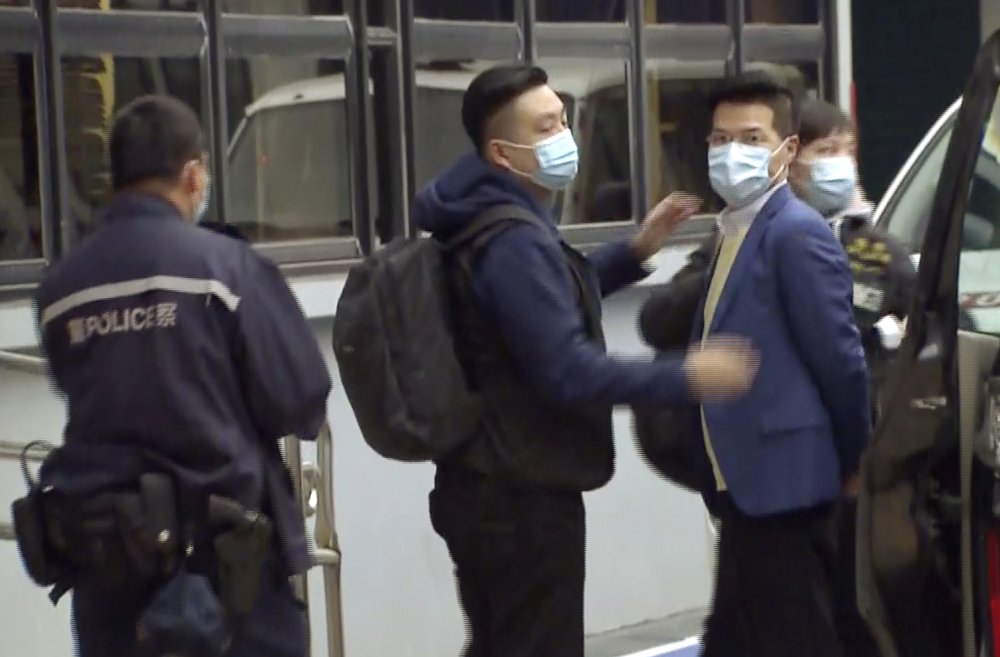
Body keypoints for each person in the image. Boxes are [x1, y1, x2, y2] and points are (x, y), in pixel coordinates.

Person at [412, 64, 759, 657]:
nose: (563, 138)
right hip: (520, 498)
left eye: (563, 120)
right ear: (502, 150)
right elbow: (567, 371)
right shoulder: (511, 239)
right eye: (546, 127)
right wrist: (688, 375)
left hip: (488, 486)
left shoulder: (486, 216)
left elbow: (544, 306)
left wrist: (634, 252)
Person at [30, 95, 331, 657]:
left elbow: (82, 385)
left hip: (108, 569)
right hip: (225, 577)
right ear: (192, 175)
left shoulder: (61, 288)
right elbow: (300, 399)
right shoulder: (227, 268)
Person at [681, 73, 871, 657]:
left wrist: (855, 460)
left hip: (789, 486)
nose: (731, 153)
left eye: (751, 138)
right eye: (719, 140)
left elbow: (841, 362)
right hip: (743, 486)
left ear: (787, 150)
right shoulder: (734, 232)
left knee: (797, 639)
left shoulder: (795, 234)